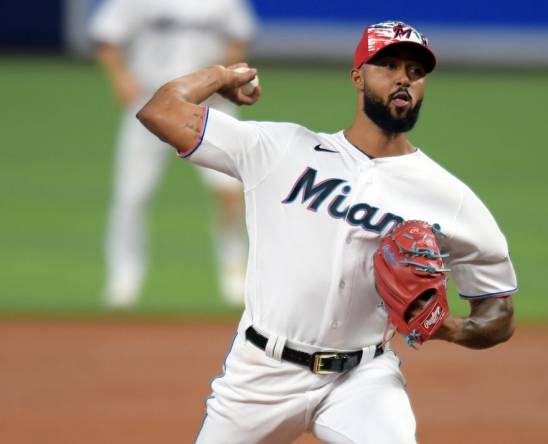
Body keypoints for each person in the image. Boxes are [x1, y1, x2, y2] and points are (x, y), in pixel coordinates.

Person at [137, 20, 518, 444]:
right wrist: (222, 76)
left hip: (363, 380)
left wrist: (447, 327)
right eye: (388, 65)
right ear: (357, 76)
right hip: (260, 375)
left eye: (415, 71)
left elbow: (499, 312)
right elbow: (160, 111)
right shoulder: (280, 150)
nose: (403, 79)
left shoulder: (450, 198)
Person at [90, 0, 257, 307]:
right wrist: (121, 78)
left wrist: (221, 77)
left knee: (231, 192)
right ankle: (123, 279)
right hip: (150, 103)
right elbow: (106, 38)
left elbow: (239, 37)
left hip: (209, 106)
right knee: (132, 195)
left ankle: (234, 272)